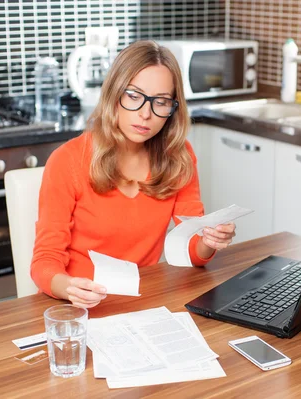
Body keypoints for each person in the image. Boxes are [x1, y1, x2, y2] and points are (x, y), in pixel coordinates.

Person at [30, 40, 236, 308]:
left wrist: (209, 241)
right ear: (114, 94)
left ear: (172, 108)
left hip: (139, 302)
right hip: (73, 306)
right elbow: (45, 260)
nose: (145, 114)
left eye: (161, 102)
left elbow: (191, 250)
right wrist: (68, 287)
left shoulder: (178, 157)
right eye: (134, 96)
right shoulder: (67, 160)